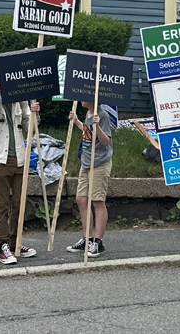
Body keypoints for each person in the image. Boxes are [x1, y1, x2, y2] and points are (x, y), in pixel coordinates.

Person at [0, 77, 39, 264]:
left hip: (19, 159)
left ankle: (16, 242)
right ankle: (2, 245)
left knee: (20, 204)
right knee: (2, 205)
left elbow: (31, 128)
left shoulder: (19, 101)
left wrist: (32, 111)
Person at [65, 101, 113, 258]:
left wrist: (97, 126)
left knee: (97, 201)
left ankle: (98, 242)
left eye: (84, 98)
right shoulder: (88, 114)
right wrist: (78, 122)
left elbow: (105, 142)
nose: (81, 100)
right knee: (81, 199)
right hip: (86, 162)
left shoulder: (103, 116)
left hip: (99, 162)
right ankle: (88, 239)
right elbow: (88, 134)